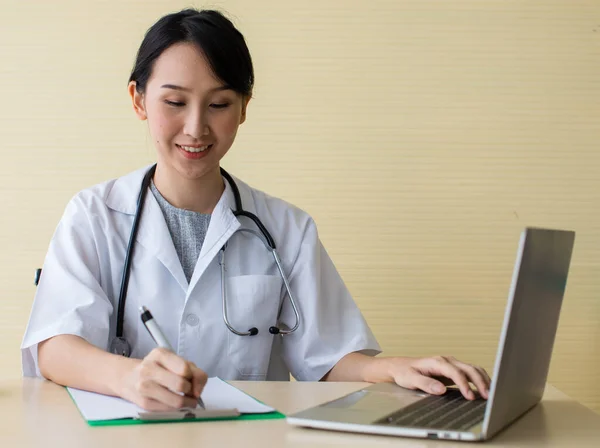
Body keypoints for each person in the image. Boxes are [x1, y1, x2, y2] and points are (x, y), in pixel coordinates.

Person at [21, 8, 490, 412]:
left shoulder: (286, 228)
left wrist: (392, 368)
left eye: (219, 103)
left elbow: (329, 361)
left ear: (243, 108)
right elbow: (56, 346)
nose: (196, 127)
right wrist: (128, 377)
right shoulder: (94, 215)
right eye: (175, 101)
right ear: (138, 99)